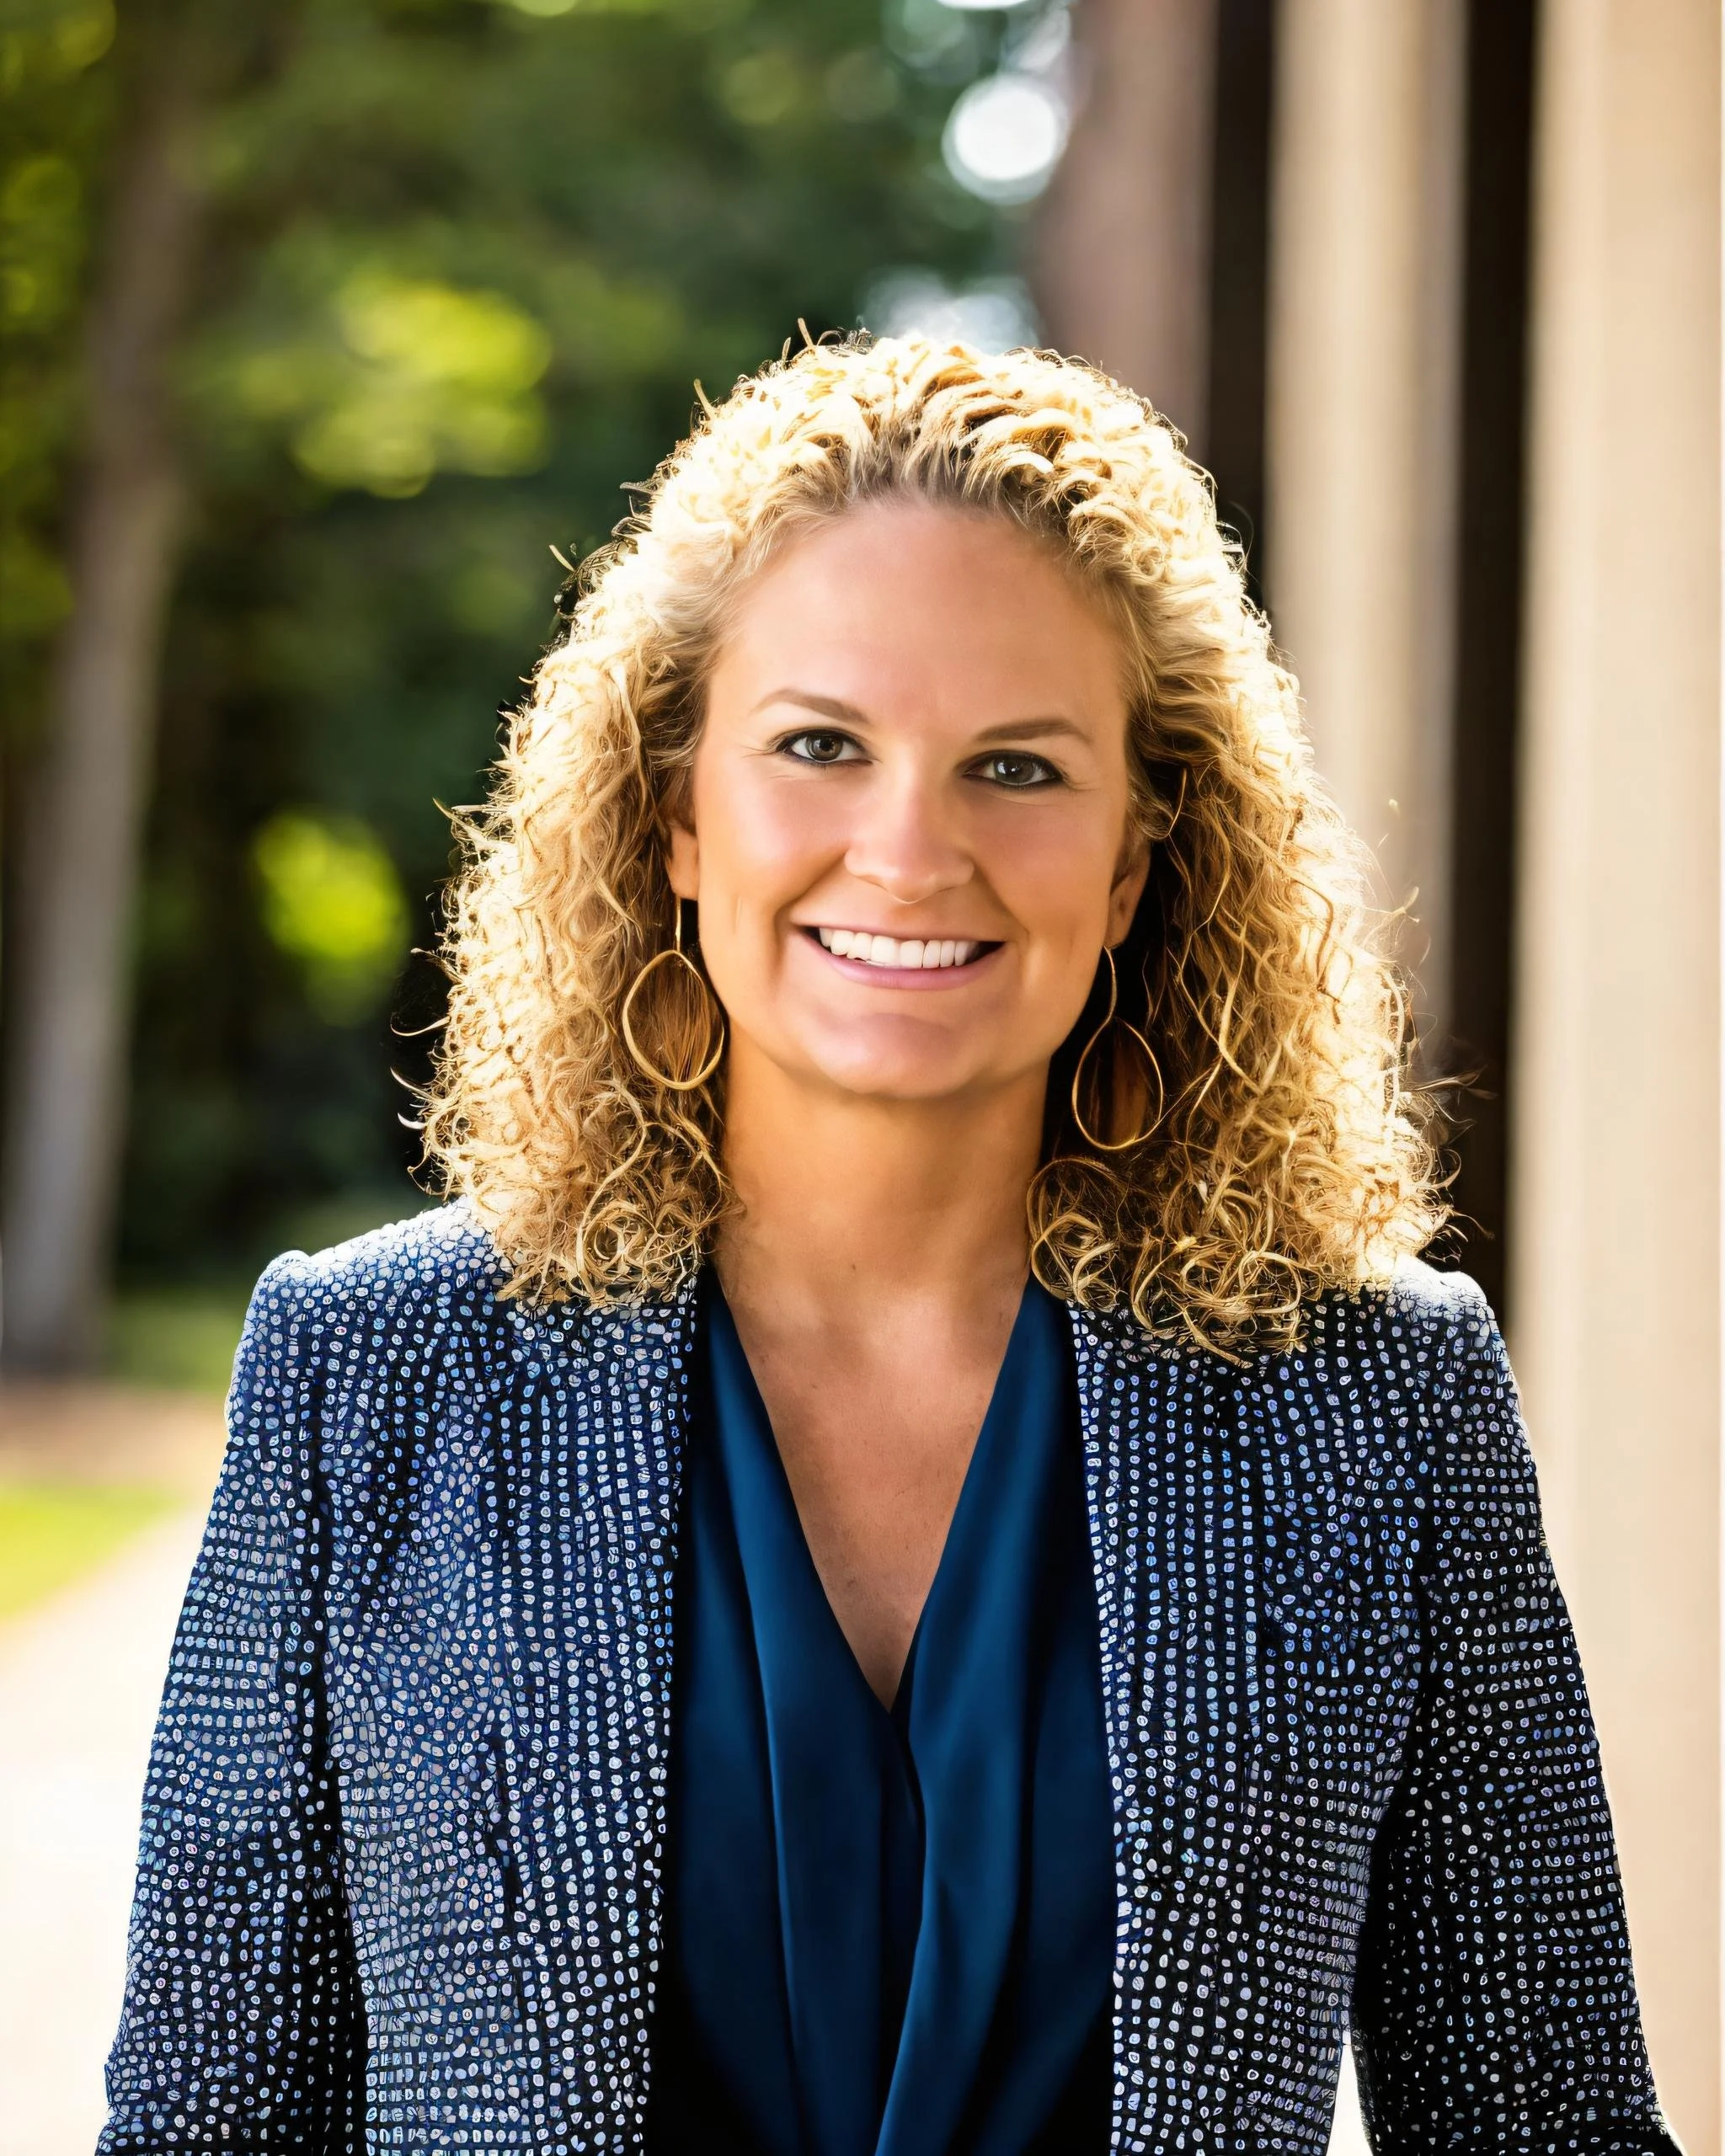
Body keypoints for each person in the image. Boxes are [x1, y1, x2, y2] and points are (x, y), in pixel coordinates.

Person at [99, 337, 1677, 2156]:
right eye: (820, 745)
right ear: (676, 814)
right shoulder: (368, 1376)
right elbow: (205, 2120)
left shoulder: (1381, 1403)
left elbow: (1546, 2117)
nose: (910, 850)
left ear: (1140, 854)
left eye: (1016, 763)